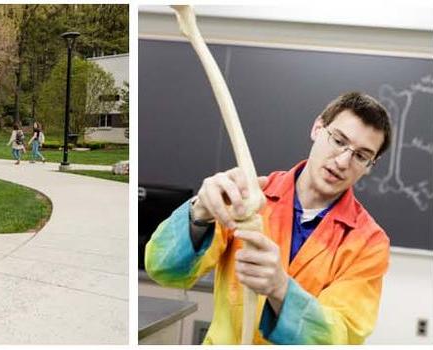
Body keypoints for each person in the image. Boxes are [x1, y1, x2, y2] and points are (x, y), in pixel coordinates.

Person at [145, 92, 393, 344]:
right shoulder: (248, 197)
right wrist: (199, 215)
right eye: (338, 140)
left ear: (371, 164)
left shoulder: (369, 242)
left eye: (361, 156)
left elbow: (340, 337)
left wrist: (281, 290)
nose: (342, 161)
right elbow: (165, 271)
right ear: (318, 128)